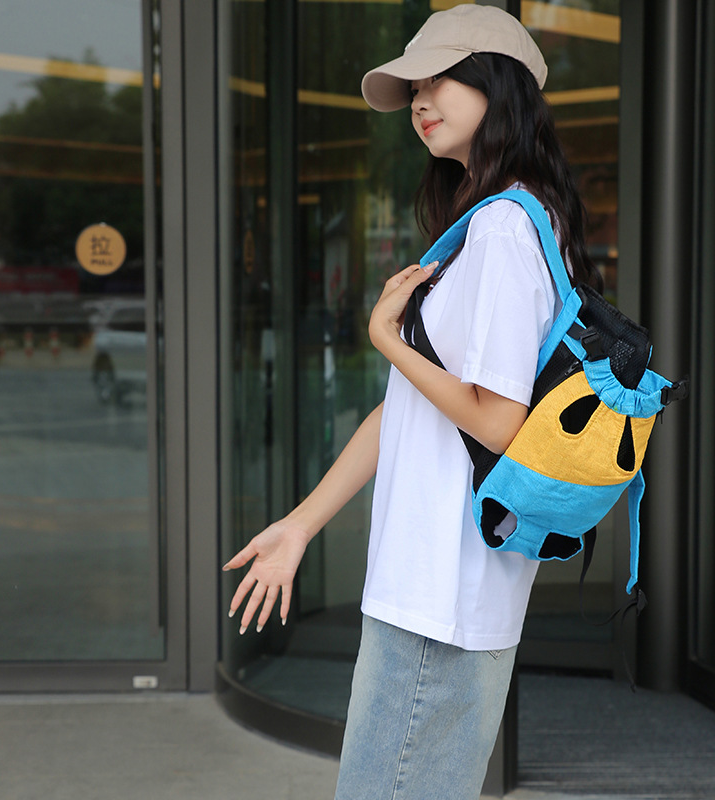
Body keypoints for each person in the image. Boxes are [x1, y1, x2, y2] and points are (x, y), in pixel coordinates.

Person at [223, 5, 602, 799]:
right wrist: (300, 526)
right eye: (413, 89)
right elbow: (408, 410)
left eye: (440, 81)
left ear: (499, 86)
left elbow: (497, 421)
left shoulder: (504, 231)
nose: (420, 101)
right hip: (428, 588)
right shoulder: (494, 224)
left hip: (442, 597)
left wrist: (387, 339)